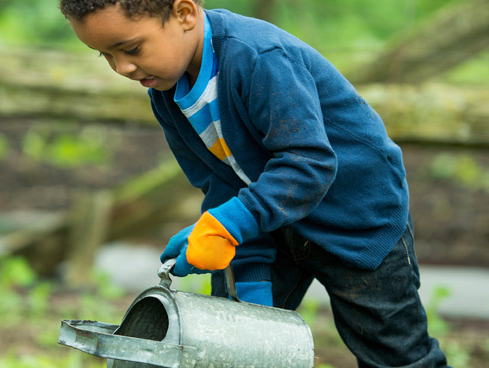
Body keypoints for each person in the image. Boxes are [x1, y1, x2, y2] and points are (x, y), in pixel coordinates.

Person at [59, 0, 450, 366]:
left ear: (183, 14)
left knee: (396, 352)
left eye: (131, 48)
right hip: (273, 220)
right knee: (232, 345)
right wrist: (245, 269)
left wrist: (228, 224)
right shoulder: (167, 94)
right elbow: (221, 184)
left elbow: (308, 165)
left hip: (355, 219)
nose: (122, 68)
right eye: (106, 55)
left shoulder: (257, 58)